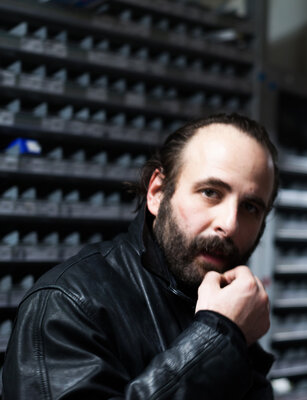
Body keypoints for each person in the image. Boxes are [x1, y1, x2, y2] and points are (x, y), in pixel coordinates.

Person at [2, 113, 280, 399]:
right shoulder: (65, 305)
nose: (230, 224)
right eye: (210, 192)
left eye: (250, 208)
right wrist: (217, 336)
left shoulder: (229, 308)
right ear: (157, 192)